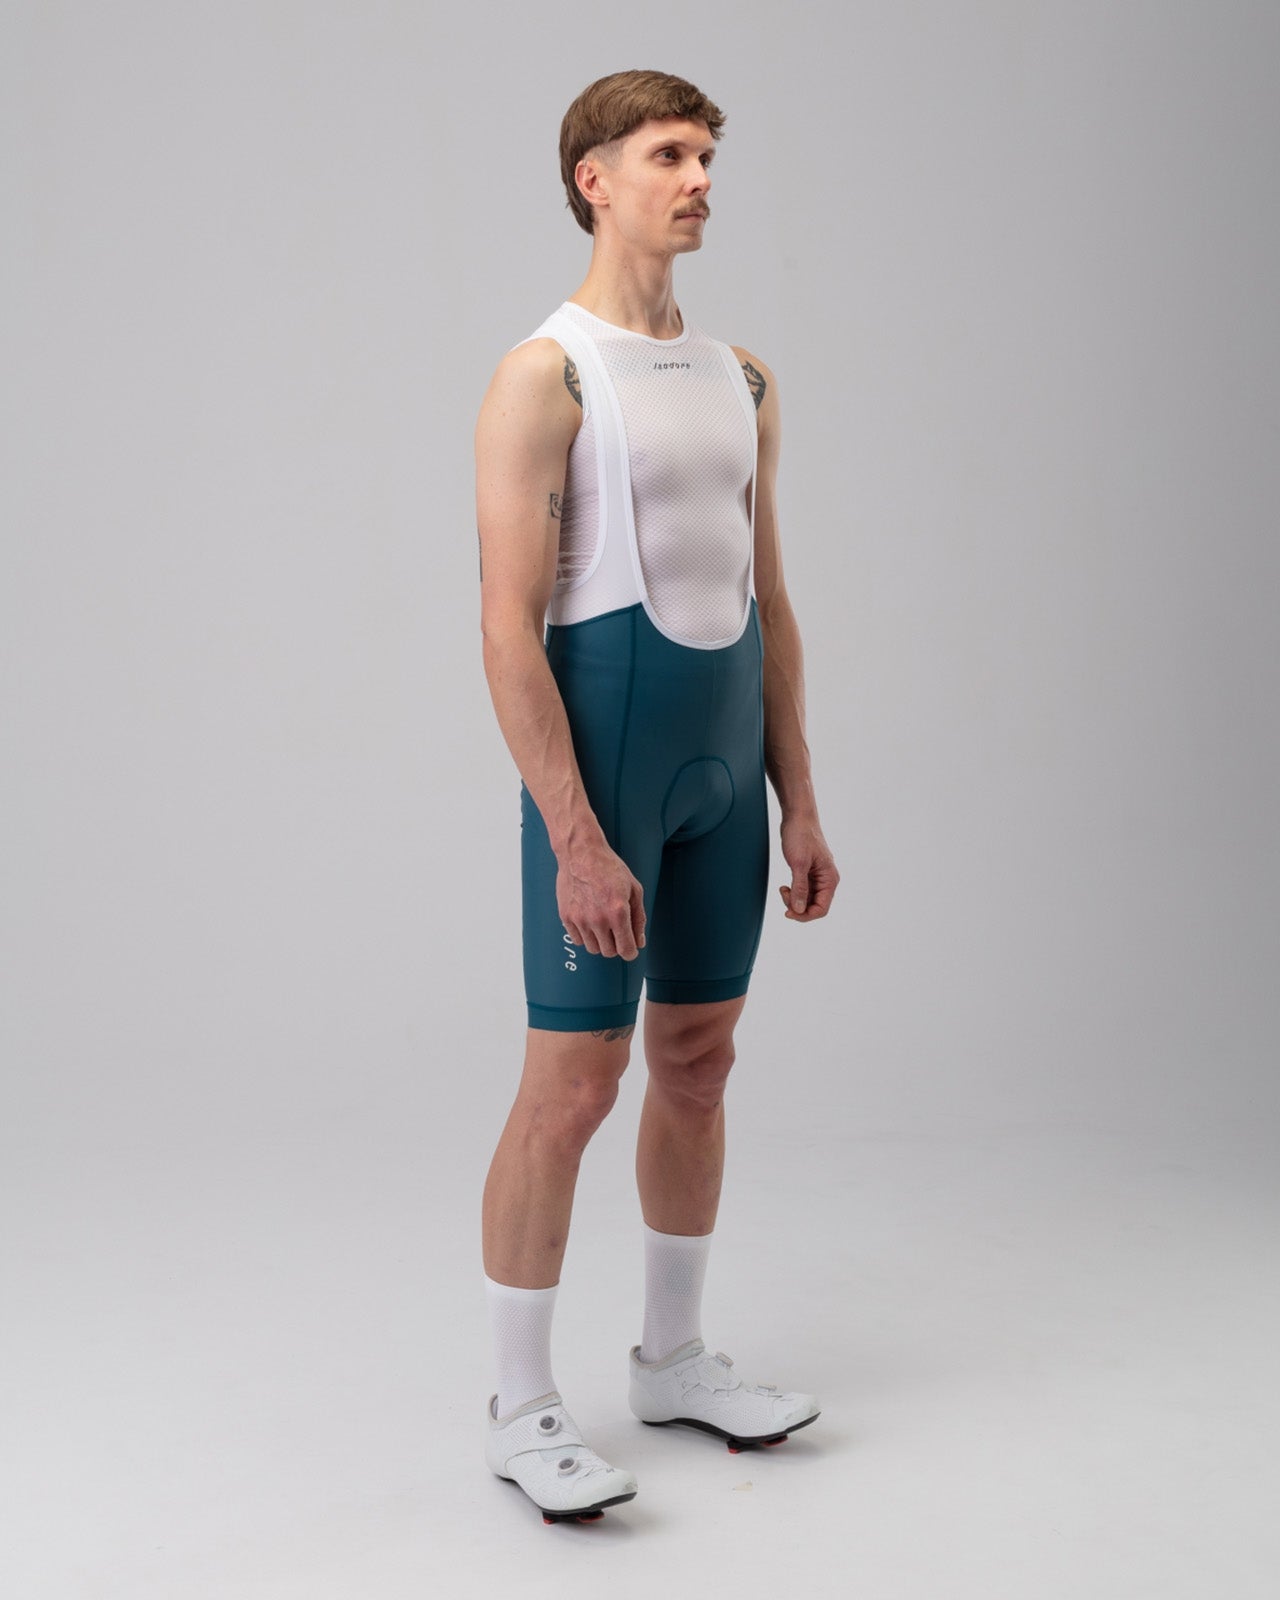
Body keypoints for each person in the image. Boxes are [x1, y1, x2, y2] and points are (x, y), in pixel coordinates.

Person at [474, 68, 839, 1525]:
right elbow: (506, 630)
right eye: (668, 155)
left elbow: (771, 602)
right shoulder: (547, 375)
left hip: (725, 773)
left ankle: (673, 1359)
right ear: (594, 179)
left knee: (699, 1060)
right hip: (609, 776)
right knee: (572, 1086)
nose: (698, 180)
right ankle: (519, 1405)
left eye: (706, 156)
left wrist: (800, 802)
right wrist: (574, 835)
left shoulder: (742, 377)